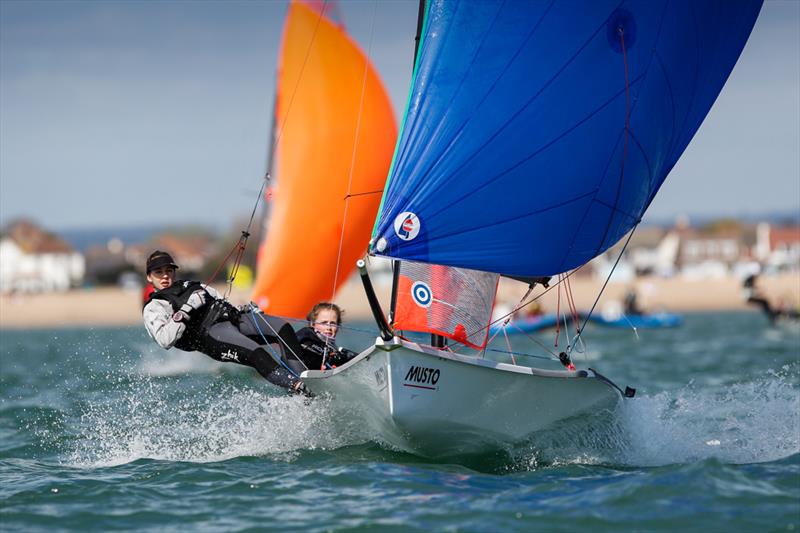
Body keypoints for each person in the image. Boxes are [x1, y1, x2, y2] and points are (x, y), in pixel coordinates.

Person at [141, 250, 307, 393]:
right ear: (149, 277)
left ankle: (304, 377)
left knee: (283, 328)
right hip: (212, 335)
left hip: (234, 320)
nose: (164, 276)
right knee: (257, 352)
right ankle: (297, 387)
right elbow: (164, 340)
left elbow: (219, 299)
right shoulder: (154, 307)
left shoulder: (191, 285)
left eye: (168, 271)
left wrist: (242, 310)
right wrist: (187, 309)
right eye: (158, 272)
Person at [295, 302, 358, 371]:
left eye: (333, 323)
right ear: (312, 324)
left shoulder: (334, 349)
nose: (329, 327)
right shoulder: (304, 338)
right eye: (324, 323)